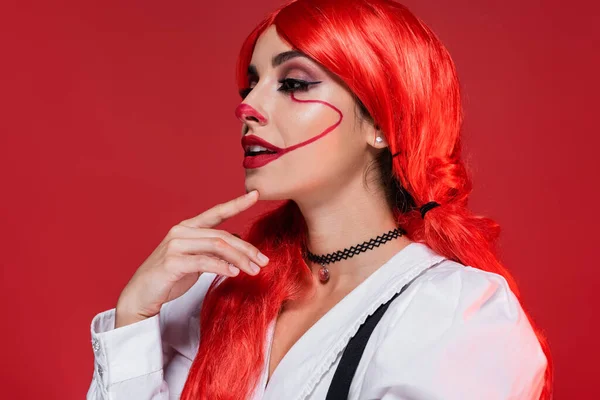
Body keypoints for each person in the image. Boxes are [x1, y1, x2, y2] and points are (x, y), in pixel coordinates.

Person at [86, 0, 553, 399]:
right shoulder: (215, 294)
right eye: (251, 85)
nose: (247, 106)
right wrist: (135, 318)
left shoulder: (454, 315)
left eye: (294, 83)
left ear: (381, 124)